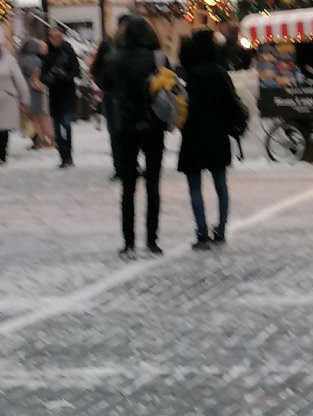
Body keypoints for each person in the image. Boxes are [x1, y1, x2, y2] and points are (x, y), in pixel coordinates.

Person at [178, 30, 245, 249]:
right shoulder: (220, 72)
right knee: (221, 186)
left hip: (194, 135)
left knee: (195, 187)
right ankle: (222, 229)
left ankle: (202, 233)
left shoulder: (192, 74)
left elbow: (187, 107)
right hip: (217, 134)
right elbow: (231, 103)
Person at [107, 15, 166, 259]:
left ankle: (128, 242)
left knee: (128, 187)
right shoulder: (157, 58)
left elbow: (105, 85)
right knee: (153, 184)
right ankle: (152, 241)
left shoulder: (115, 59)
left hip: (124, 126)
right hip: (153, 125)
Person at [90, 15, 130, 182]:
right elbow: (95, 68)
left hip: (127, 95)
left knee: (127, 132)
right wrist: (105, 85)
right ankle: (119, 167)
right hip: (113, 94)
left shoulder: (132, 45)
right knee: (115, 131)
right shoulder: (108, 44)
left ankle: (129, 165)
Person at [43, 27, 81, 169]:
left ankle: (68, 155)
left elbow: (76, 70)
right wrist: (50, 78)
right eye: (52, 37)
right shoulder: (48, 54)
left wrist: (65, 76)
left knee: (67, 125)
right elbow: (43, 74)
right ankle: (62, 156)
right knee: (57, 129)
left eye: (57, 36)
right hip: (54, 95)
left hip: (67, 93)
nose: (55, 39)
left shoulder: (68, 51)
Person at [0, 39, 29, 164]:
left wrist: (24, 100)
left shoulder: (10, 60)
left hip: (7, 100)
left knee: (3, 129)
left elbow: (20, 82)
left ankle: (2, 155)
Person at [18, 38, 49, 149]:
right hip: (35, 91)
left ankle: (36, 139)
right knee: (37, 117)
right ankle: (40, 139)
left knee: (30, 117)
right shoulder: (37, 60)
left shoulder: (20, 59)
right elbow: (36, 77)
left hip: (23, 90)